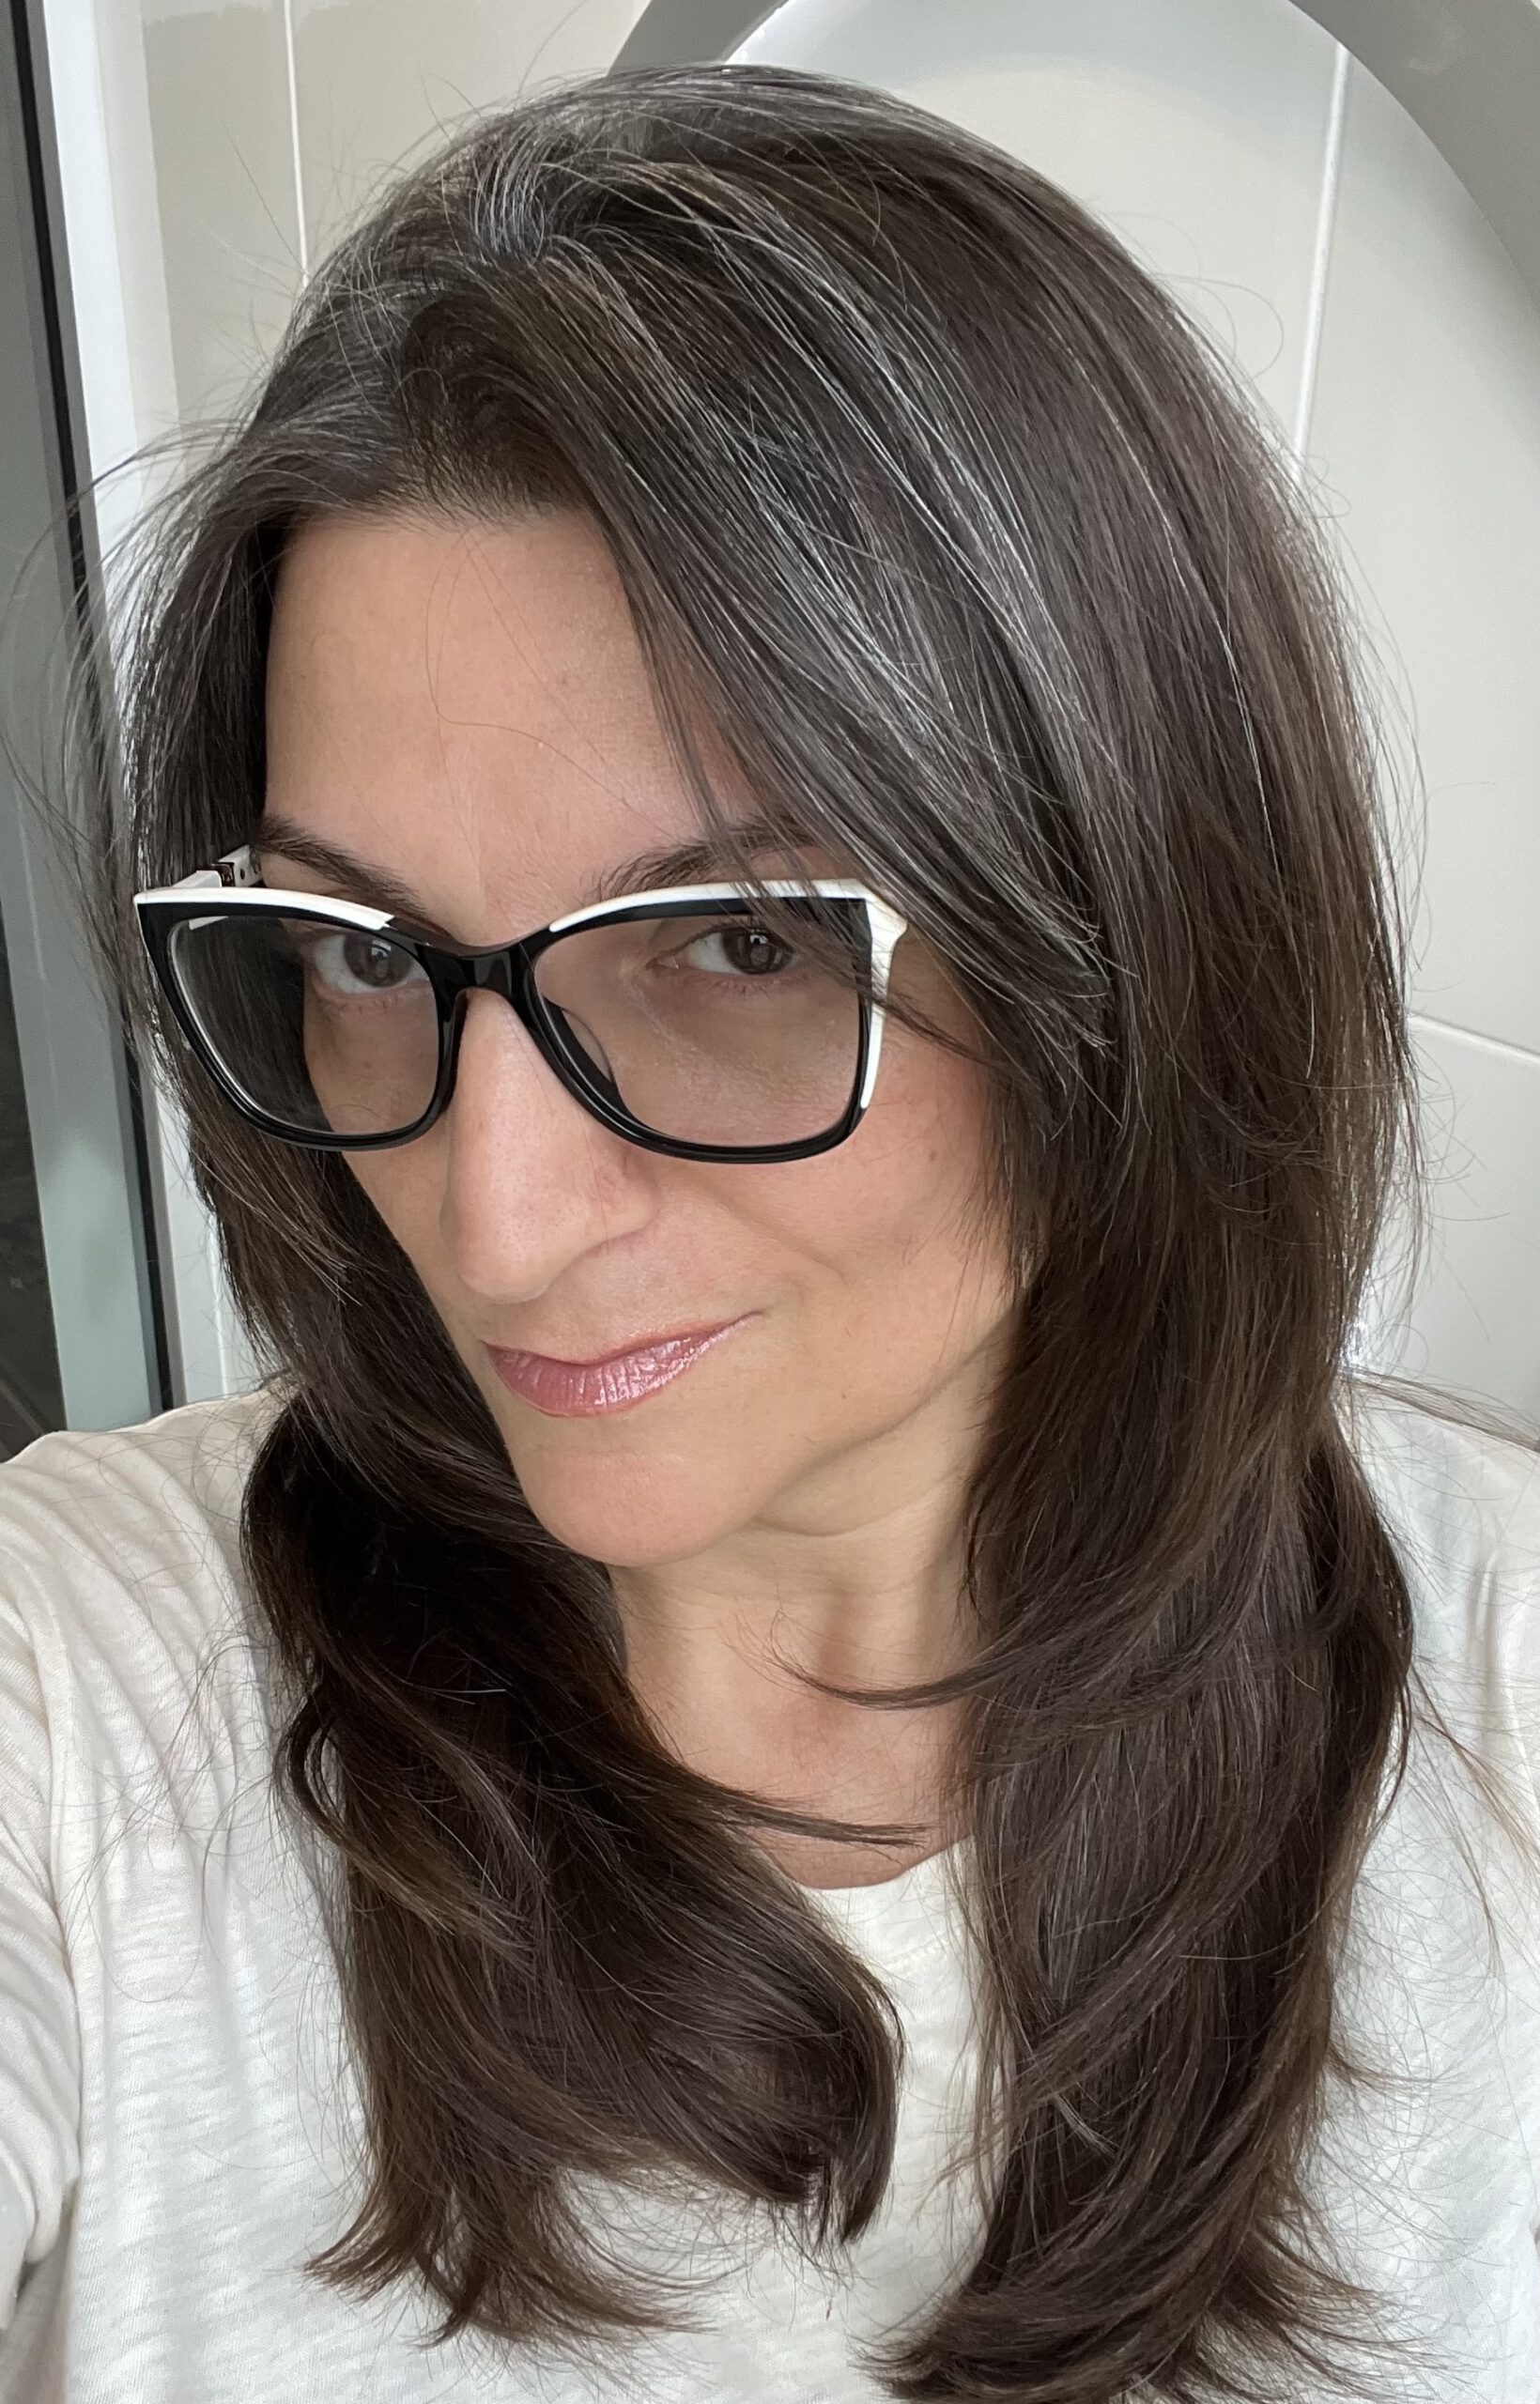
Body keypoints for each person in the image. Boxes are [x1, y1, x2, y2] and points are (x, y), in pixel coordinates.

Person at [0, 56, 1536, 2404]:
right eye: (367, 955)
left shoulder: (1502, 1716)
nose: (492, 1221)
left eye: (733, 951)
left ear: (1130, 929)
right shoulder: (90, 1685)